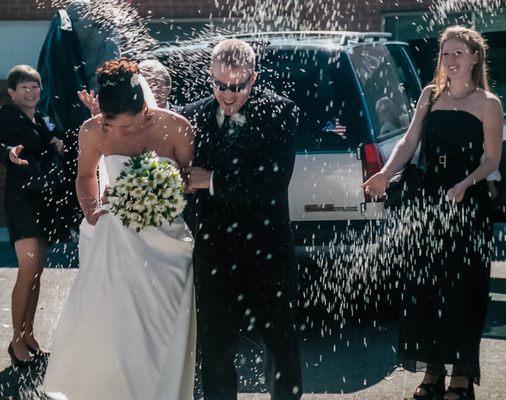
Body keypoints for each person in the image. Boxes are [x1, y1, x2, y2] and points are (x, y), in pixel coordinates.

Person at [362, 26, 503, 400]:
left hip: (467, 204)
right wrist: (384, 173)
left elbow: (492, 159)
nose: (452, 60)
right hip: (426, 200)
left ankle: (460, 374)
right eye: (446, 54)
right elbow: (409, 142)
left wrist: (466, 183)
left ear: (474, 57)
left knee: (462, 290)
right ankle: (433, 372)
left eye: (459, 53)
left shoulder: (489, 103)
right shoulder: (430, 95)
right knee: (425, 288)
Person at [43, 58, 196, 399]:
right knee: (111, 327)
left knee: (158, 329)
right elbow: (85, 176)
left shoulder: (178, 127)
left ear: (145, 105)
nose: (120, 133)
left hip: (166, 243)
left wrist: (156, 189)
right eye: (114, 126)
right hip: (115, 242)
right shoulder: (93, 131)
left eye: (128, 126)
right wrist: (93, 210)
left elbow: (188, 180)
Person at [183, 39, 302, 400]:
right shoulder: (192, 114)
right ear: (210, 76)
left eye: (237, 86)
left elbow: (273, 179)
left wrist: (210, 180)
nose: (228, 95)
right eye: (220, 85)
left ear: (254, 77)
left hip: (268, 248)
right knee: (214, 347)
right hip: (213, 250)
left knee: (280, 342)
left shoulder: (281, 111)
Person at [0, 65, 64, 367]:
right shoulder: (7, 115)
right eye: (24, 87)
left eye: (35, 86)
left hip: (43, 199)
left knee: (37, 272)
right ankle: (15, 341)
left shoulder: (42, 118)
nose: (31, 92)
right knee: (27, 270)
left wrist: (57, 141)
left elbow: (58, 136)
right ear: (12, 93)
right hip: (20, 199)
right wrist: (8, 152)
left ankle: (28, 335)